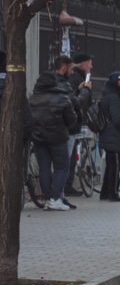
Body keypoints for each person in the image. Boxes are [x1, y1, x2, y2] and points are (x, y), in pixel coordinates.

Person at [28, 63, 82, 211]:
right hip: (58, 138)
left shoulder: (32, 99)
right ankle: (55, 198)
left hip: (39, 139)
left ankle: (47, 198)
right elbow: (72, 119)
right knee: (62, 167)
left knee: (44, 167)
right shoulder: (62, 98)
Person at [63, 53, 95, 200]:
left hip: (74, 122)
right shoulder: (75, 79)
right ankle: (66, 185)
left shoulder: (78, 79)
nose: (91, 66)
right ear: (82, 65)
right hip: (72, 123)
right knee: (69, 155)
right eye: (89, 63)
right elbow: (76, 102)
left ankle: (65, 185)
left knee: (70, 154)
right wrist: (85, 91)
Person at [97, 71, 120, 202]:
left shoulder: (109, 95)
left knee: (111, 164)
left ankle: (105, 192)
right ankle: (113, 193)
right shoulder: (114, 97)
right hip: (113, 135)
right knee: (116, 164)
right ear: (115, 82)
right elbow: (117, 118)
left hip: (108, 134)